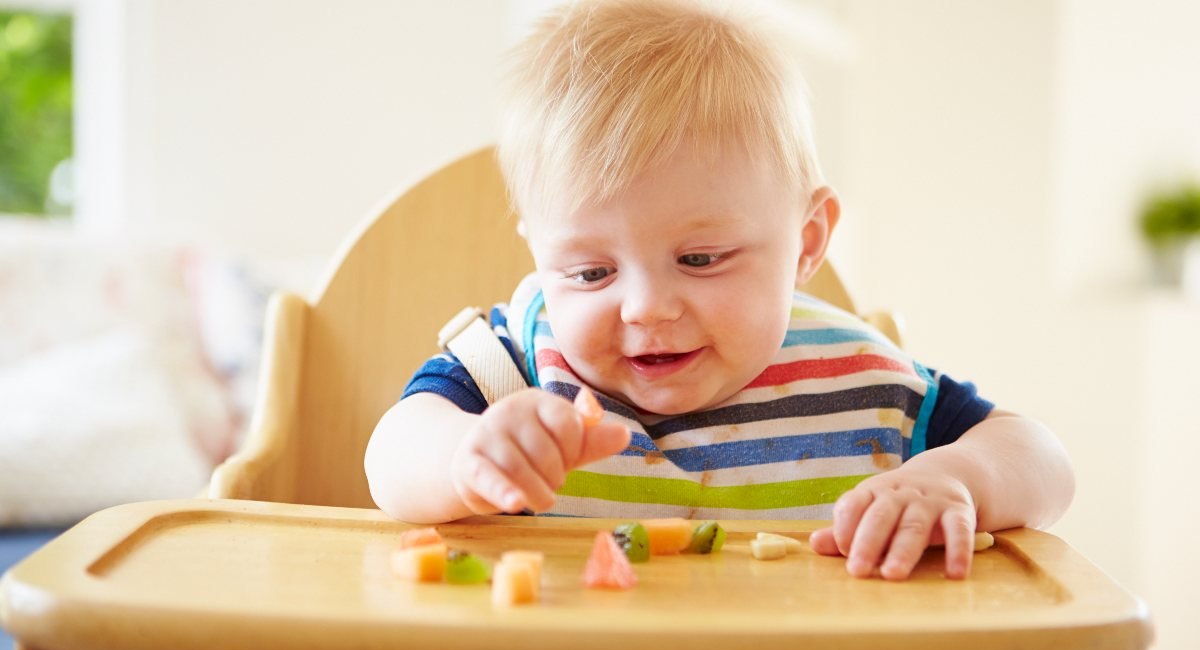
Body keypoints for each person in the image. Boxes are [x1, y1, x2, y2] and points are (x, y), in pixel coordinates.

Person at [365, 0, 1074, 581]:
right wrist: (468, 457)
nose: (645, 307)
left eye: (700, 257)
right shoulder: (512, 370)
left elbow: (1043, 460)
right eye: (590, 273)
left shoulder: (860, 389)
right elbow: (389, 457)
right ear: (538, 254)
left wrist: (960, 475)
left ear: (806, 242)